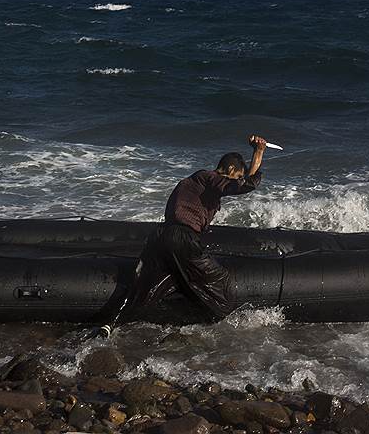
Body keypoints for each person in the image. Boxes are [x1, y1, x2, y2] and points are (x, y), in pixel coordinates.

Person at [97, 135, 267, 338]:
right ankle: (194, 326)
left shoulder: (192, 182)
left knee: (143, 287)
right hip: (182, 239)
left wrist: (256, 158)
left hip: (159, 238)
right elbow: (244, 185)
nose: (237, 179)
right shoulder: (209, 177)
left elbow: (243, 180)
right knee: (220, 284)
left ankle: (110, 325)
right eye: (236, 175)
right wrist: (258, 152)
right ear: (230, 170)